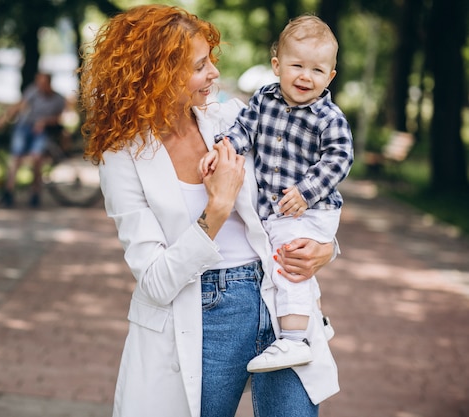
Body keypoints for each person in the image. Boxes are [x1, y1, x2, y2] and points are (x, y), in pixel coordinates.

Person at [80, 5, 339, 417]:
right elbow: (155, 281)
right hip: (204, 315)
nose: (214, 73)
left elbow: (293, 186)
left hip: (276, 300)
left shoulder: (231, 117)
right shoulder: (122, 158)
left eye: (210, 61)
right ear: (159, 76)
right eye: (200, 66)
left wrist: (325, 247)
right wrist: (215, 210)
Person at [199, 15, 353, 374]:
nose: (305, 76)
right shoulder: (263, 101)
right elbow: (243, 132)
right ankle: (314, 319)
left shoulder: (328, 117)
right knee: (279, 258)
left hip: (312, 207)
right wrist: (221, 149)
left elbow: (340, 158)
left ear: (330, 76)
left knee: (287, 265)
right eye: (297, 65)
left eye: (317, 70)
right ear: (277, 65)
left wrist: (306, 191)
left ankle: (294, 341)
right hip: (281, 210)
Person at [0, 72, 66, 208]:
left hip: (41, 131)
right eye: (38, 83)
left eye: (43, 84)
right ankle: (8, 191)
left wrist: (44, 121)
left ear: (49, 83)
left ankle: (35, 193)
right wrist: (3, 120)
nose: (40, 86)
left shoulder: (58, 99)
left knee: (37, 158)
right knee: (16, 158)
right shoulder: (33, 91)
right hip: (24, 127)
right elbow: (20, 106)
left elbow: (59, 118)